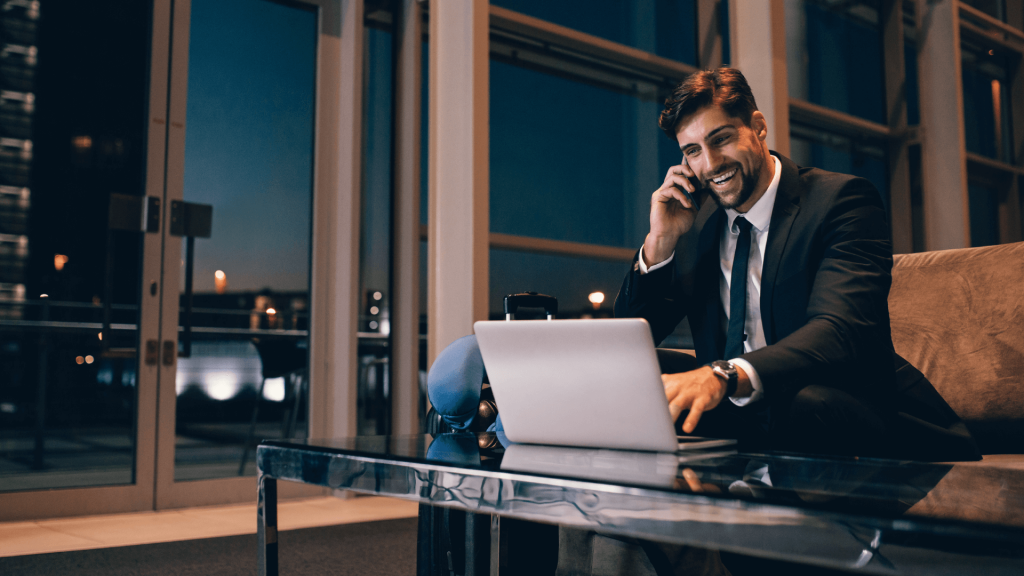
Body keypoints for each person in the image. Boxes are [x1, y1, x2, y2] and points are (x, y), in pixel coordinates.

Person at [614, 67, 977, 460]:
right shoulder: (696, 222)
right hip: (748, 418)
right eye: (693, 151)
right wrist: (660, 242)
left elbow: (839, 331)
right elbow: (634, 336)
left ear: (758, 126)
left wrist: (725, 374)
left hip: (844, 408)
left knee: (805, 403)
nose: (711, 163)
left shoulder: (841, 202)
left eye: (721, 139)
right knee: (635, 375)